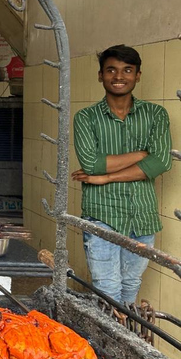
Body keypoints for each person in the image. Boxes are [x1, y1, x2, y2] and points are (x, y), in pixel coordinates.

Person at [72, 44, 171, 305]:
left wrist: (107, 177)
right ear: (100, 75)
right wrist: (141, 155)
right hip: (102, 215)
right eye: (111, 70)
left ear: (138, 75)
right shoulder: (86, 117)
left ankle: (121, 343)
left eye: (127, 70)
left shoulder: (155, 115)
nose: (119, 76)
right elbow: (91, 164)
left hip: (143, 217)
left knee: (129, 289)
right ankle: (107, 343)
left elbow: (161, 161)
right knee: (107, 290)